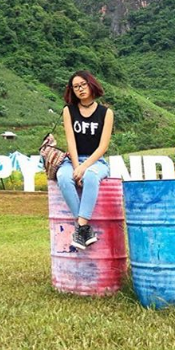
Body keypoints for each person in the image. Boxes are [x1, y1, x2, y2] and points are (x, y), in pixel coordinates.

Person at [56, 70, 114, 250]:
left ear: (91, 84)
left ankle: (80, 227)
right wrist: (76, 167)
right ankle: (84, 229)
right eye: (75, 87)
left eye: (83, 85)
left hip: (96, 162)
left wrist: (84, 167)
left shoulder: (106, 113)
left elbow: (103, 146)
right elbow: (71, 142)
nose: (80, 89)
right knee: (63, 177)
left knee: (90, 175)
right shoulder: (69, 111)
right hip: (73, 160)